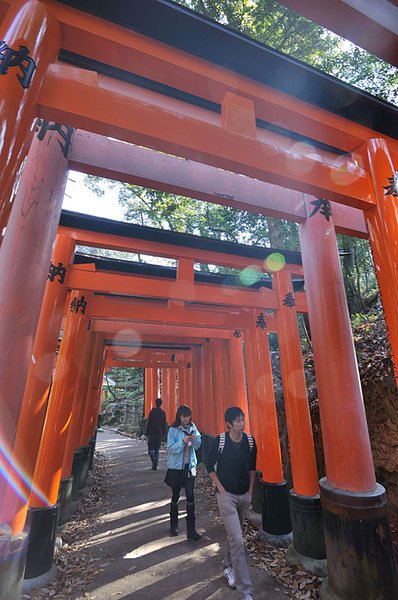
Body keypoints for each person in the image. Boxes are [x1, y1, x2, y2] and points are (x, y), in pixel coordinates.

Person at [206, 406, 257, 600]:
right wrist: (220, 488)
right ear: (229, 423)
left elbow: (252, 466)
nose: (242, 424)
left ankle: (228, 565)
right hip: (226, 495)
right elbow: (209, 466)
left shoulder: (250, 442)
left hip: (244, 493)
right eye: (237, 421)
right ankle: (246, 592)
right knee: (237, 539)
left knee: (235, 536)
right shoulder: (219, 441)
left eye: (243, 420)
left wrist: (251, 490)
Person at [164, 404, 202, 541]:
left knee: (191, 497)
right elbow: (170, 449)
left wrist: (195, 439)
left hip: (190, 466)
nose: (187, 418)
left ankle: (191, 530)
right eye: (184, 416)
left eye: (188, 415)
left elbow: (198, 445)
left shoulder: (193, 427)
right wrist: (182, 441)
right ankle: (173, 524)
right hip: (176, 468)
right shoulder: (173, 430)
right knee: (175, 496)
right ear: (179, 416)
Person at [145, 398, 166, 470]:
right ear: (161, 404)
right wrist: (164, 433)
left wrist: (146, 432)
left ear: (155, 403)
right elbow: (164, 424)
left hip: (152, 432)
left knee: (150, 449)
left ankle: (154, 460)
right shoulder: (163, 413)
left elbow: (149, 423)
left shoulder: (152, 412)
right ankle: (155, 461)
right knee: (157, 449)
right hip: (159, 433)